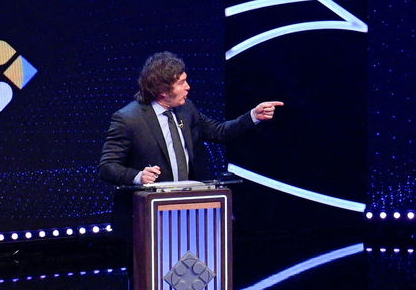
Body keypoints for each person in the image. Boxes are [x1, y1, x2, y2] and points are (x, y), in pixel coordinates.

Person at [99, 51, 282, 189]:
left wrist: (252, 116)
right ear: (163, 91)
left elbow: (220, 132)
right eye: (181, 83)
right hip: (146, 213)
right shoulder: (128, 119)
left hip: (187, 205)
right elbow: (107, 167)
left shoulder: (187, 109)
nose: (188, 87)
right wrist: (138, 176)